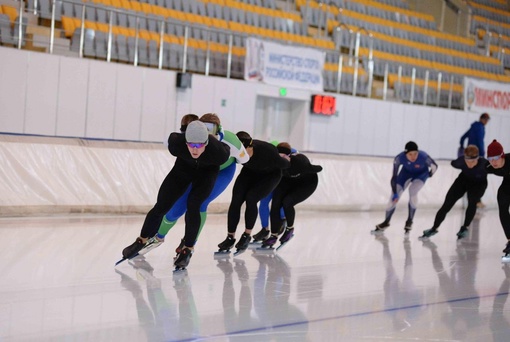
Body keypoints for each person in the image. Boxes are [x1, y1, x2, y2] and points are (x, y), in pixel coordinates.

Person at [121, 120, 230, 269]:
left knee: (193, 205)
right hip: (182, 171)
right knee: (161, 206)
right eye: (191, 144)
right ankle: (141, 240)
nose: (195, 149)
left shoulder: (219, 153)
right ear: (185, 142)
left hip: (206, 174)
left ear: (206, 143)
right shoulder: (176, 143)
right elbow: (172, 138)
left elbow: (235, 156)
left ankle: (188, 249)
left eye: (199, 145)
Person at [139, 113, 250, 256]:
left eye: (212, 131)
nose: (208, 135)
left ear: (219, 130)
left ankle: (189, 243)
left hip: (222, 172)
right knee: (176, 208)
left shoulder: (231, 141)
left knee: (199, 204)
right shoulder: (192, 136)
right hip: (199, 169)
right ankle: (158, 237)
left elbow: (244, 160)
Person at [217, 132, 290, 254]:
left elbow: (285, 164)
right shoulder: (237, 151)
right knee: (236, 200)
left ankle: (247, 235)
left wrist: (292, 161)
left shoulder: (267, 152)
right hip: (250, 172)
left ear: (249, 147)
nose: (240, 156)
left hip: (270, 175)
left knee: (251, 199)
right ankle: (230, 237)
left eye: (242, 153)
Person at [261, 142, 323, 249]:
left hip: (306, 184)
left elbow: (319, 168)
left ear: (289, 156)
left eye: (282, 158)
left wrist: (309, 168)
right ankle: (273, 235)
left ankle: (290, 229)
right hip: (287, 181)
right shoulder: (276, 163)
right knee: (275, 204)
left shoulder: (300, 162)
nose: (280, 161)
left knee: (287, 202)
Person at [419, 145, 488, 240]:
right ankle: (434, 228)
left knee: (472, 202)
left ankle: (465, 227)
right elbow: (453, 163)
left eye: (473, 161)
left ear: (478, 158)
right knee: (447, 204)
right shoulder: (459, 162)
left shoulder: (485, 164)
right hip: (463, 181)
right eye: (467, 161)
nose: (470, 164)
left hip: (479, 184)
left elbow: (501, 169)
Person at [372, 141, 438, 234]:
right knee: (393, 198)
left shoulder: (423, 157)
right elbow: (394, 177)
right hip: (405, 174)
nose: (413, 157)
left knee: (413, 191)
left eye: (415, 154)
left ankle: (409, 221)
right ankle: (386, 222)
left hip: (421, 175)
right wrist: (395, 193)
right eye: (410, 154)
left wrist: (430, 174)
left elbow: (434, 166)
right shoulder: (399, 158)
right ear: (405, 154)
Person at [485, 140, 510, 260]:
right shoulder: (488, 166)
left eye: (495, 158)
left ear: (502, 155)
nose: (493, 162)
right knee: (503, 206)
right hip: (507, 185)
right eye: (490, 158)